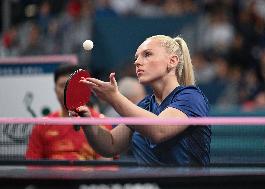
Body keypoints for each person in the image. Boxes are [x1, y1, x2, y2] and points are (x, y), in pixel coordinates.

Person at [74, 35, 211, 166]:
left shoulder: (191, 97)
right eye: (137, 57)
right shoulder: (145, 106)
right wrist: (88, 122)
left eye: (147, 54)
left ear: (172, 61)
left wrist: (114, 97)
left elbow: (159, 130)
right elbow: (111, 145)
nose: (137, 62)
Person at [26, 64, 113, 160]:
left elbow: (107, 167)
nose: (67, 90)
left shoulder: (101, 123)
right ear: (55, 90)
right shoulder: (42, 125)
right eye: (63, 85)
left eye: (72, 85)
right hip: (51, 175)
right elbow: (33, 165)